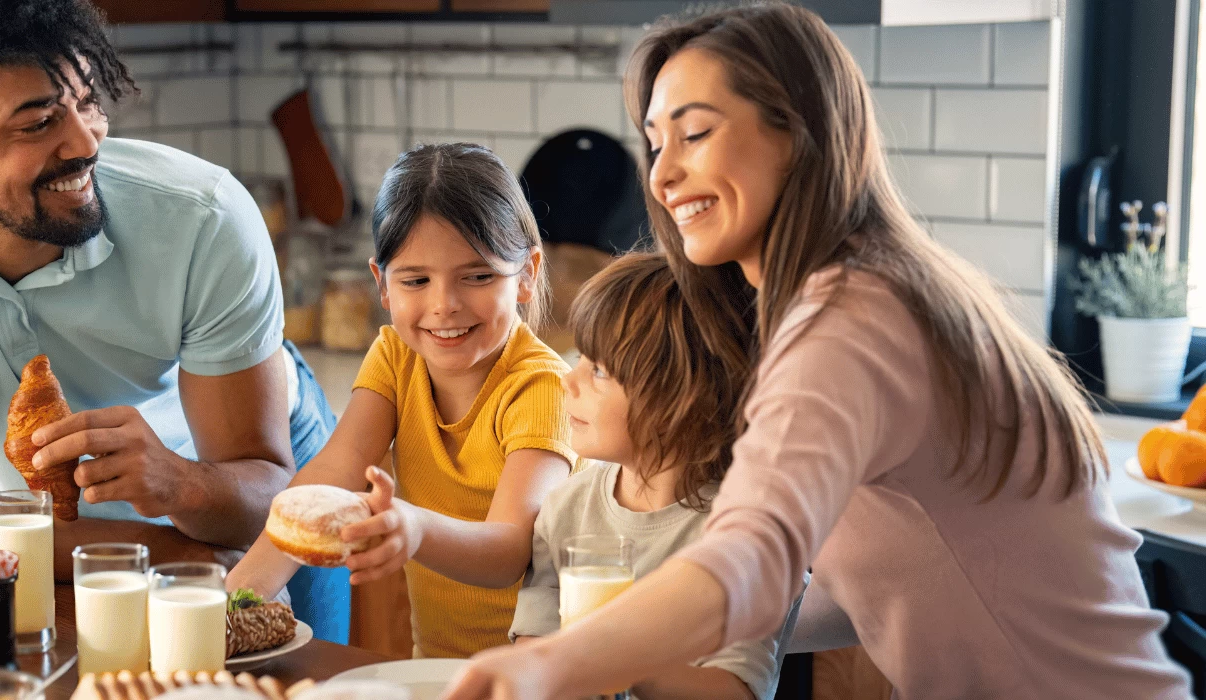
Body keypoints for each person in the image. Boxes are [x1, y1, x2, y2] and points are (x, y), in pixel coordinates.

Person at [443, 4, 1192, 698]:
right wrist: (659, 635)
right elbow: (900, 576)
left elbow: (754, 563)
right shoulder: (869, 290)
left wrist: (559, 659)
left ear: (798, 134)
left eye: (695, 133)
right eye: (654, 142)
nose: (662, 175)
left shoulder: (854, 321)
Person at [0, 0, 348, 641]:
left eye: (88, 102)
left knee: (300, 681)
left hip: (241, 476)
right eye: (38, 123)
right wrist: (177, 560)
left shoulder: (203, 217)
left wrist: (177, 484)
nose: (87, 143)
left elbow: (262, 505)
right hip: (72, 531)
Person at [225, 142, 574, 658]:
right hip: (433, 665)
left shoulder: (540, 386)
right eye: (416, 280)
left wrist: (414, 527)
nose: (444, 305)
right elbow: (334, 472)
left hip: (541, 675)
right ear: (382, 285)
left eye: (478, 276)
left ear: (526, 274)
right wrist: (237, 596)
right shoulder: (395, 356)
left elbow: (507, 549)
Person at [513, 252, 799, 700]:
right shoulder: (566, 507)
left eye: (600, 370)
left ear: (682, 397)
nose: (569, 378)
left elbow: (734, 689)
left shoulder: (742, 534)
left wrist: (613, 664)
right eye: (581, 358)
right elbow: (536, 640)